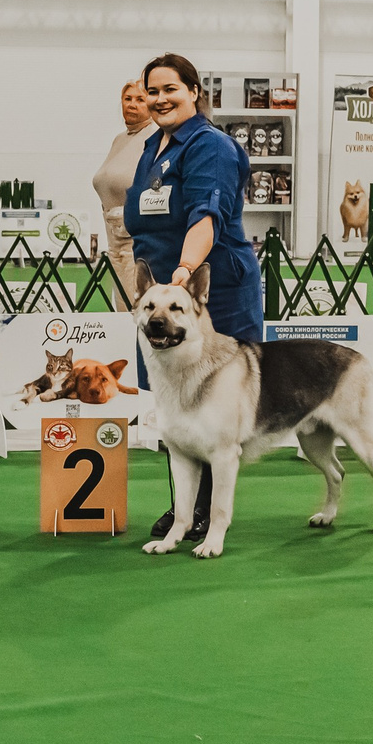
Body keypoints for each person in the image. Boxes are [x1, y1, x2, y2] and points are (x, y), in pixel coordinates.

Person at [123, 53, 258, 543]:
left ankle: (204, 512)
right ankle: (183, 507)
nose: (160, 100)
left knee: (212, 405)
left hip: (208, 289)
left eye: (170, 90)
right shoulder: (152, 147)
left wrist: (183, 277)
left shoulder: (211, 146)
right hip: (159, 294)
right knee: (173, 405)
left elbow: (207, 214)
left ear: (195, 92)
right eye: (151, 91)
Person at [91, 78, 155, 307]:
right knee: (121, 307)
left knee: (137, 308)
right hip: (113, 239)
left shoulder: (155, 137)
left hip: (138, 239)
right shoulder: (119, 139)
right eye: (127, 99)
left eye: (140, 99)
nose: (132, 104)